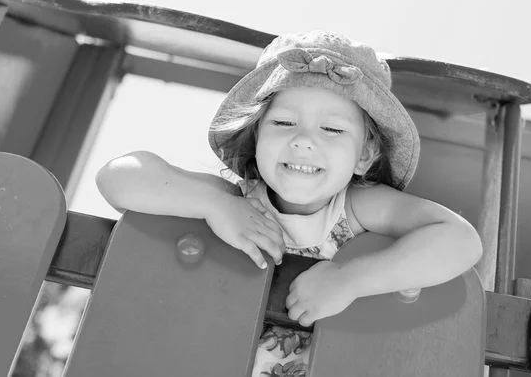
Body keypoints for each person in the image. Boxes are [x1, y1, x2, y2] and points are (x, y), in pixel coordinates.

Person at [96, 30, 483, 376]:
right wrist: (211, 203)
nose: (303, 140)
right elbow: (117, 177)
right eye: (283, 123)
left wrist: (350, 279)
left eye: (331, 129)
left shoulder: (356, 207)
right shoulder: (236, 202)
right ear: (255, 136)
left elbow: (460, 241)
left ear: (364, 155)